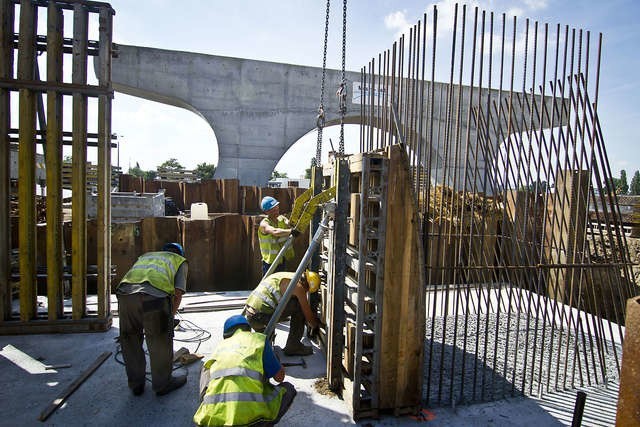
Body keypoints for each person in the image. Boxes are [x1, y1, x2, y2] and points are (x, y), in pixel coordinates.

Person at [193, 315, 297, 426]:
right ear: (248, 329)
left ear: (226, 335)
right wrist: (275, 362)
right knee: (288, 389)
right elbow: (279, 377)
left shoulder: (219, 347)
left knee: (207, 367)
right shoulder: (259, 340)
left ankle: (207, 405)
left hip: (210, 421)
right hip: (252, 421)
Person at [115, 242, 188, 396]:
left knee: (130, 340)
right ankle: (163, 384)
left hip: (125, 295)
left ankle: (136, 384)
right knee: (159, 341)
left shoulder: (146, 256)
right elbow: (178, 292)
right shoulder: (179, 261)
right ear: (179, 253)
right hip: (154, 298)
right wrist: (170, 316)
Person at [243, 271, 321, 356]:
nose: (306, 292)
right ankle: (293, 346)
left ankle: (267, 339)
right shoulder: (298, 287)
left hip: (250, 314)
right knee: (299, 306)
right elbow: (308, 316)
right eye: (307, 290)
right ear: (307, 284)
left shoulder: (287, 276)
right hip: (260, 318)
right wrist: (316, 326)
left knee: (266, 345)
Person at [258, 196, 295, 275]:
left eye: (277, 208)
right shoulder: (264, 224)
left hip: (282, 258)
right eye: (273, 210)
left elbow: (291, 223)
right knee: (269, 284)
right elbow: (275, 231)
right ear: (267, 212)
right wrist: (291, 231)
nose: (276, 211)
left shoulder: (282, 219)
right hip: (270, 263)